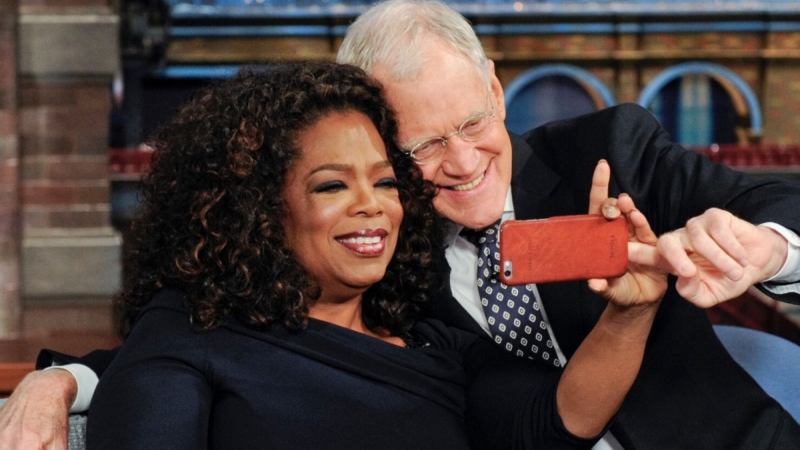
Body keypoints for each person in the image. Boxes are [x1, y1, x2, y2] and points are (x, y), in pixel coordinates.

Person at [2, 0, 800, 448]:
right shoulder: (386, 266)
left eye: (471, 123)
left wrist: (764, 250)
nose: (462, 162)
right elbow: (206, 338)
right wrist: (61, 379)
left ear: (496, 90)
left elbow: (773, 205)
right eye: (421, 147)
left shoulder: (610, 148)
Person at [77, 61, 662, 449]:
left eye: (385, 183)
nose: (372, 206)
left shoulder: (435, 343)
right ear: (257, 209)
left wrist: (630, 312)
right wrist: (56, 382)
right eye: (332, 186)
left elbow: (558, 424)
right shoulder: (189, 332)